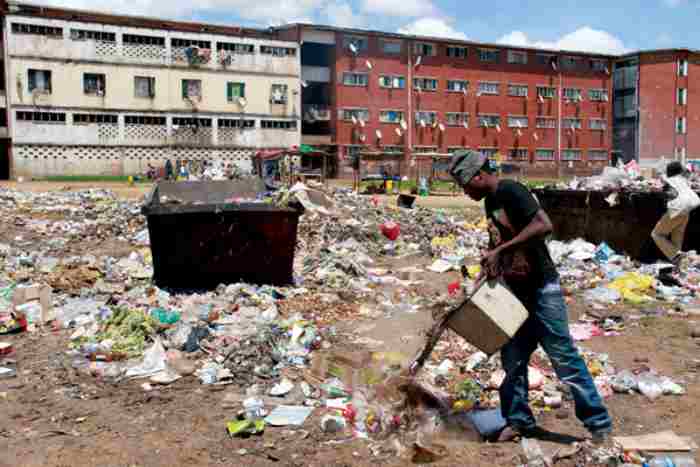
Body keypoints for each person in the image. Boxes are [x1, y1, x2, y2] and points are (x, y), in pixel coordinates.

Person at [448, 150, 612, 443]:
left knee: (563, 357)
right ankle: (519, 422)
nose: (464, 191)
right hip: (516, 290)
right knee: (512, 359)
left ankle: (599, 425)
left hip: (541, 289)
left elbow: (543, 225)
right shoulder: (490, 202)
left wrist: (502, 251)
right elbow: (500, 240)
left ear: (478, 176)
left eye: (465, 185)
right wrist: (493, 262)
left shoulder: (511, 190)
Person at [651, 161, 700, 265]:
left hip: (678, 208)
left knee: (657, 234)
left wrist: (656, 189)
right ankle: (679, 265)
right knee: (676, 237)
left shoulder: (668, 179)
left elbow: (663, 190)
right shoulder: (683, 179)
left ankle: (676, 255)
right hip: (689, 208)